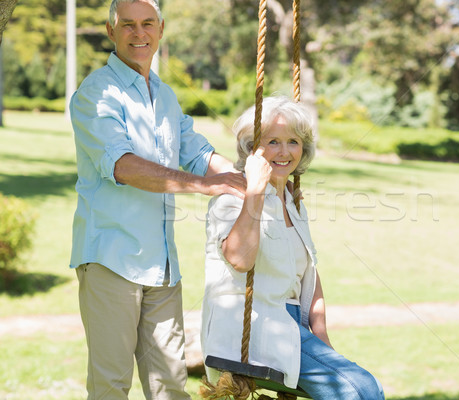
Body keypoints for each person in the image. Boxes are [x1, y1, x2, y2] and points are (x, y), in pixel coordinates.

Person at [69, 0, 245, 399]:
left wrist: (251, 178)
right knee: (111, 387)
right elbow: (124, 167)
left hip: (163, 269)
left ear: (161, 30)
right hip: (111, 260)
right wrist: (205, 187)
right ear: (111, 31)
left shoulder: (164, 95)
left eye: (147, 23)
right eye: (127, 25)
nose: (138, 33)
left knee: (170, 387)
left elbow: (198, 155)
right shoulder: (97, 93)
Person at [200, 96, 385, 400]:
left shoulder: (291, 200)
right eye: (272, 141)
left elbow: (309, 274)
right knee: (361, 390)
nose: (284, 152)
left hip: (291, 325)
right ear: (251, 149)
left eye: (293, 142)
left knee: (363, 388)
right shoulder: (232, 198)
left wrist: (322, 339)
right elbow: (239, 259)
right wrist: (256, 189)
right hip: (252, 331)